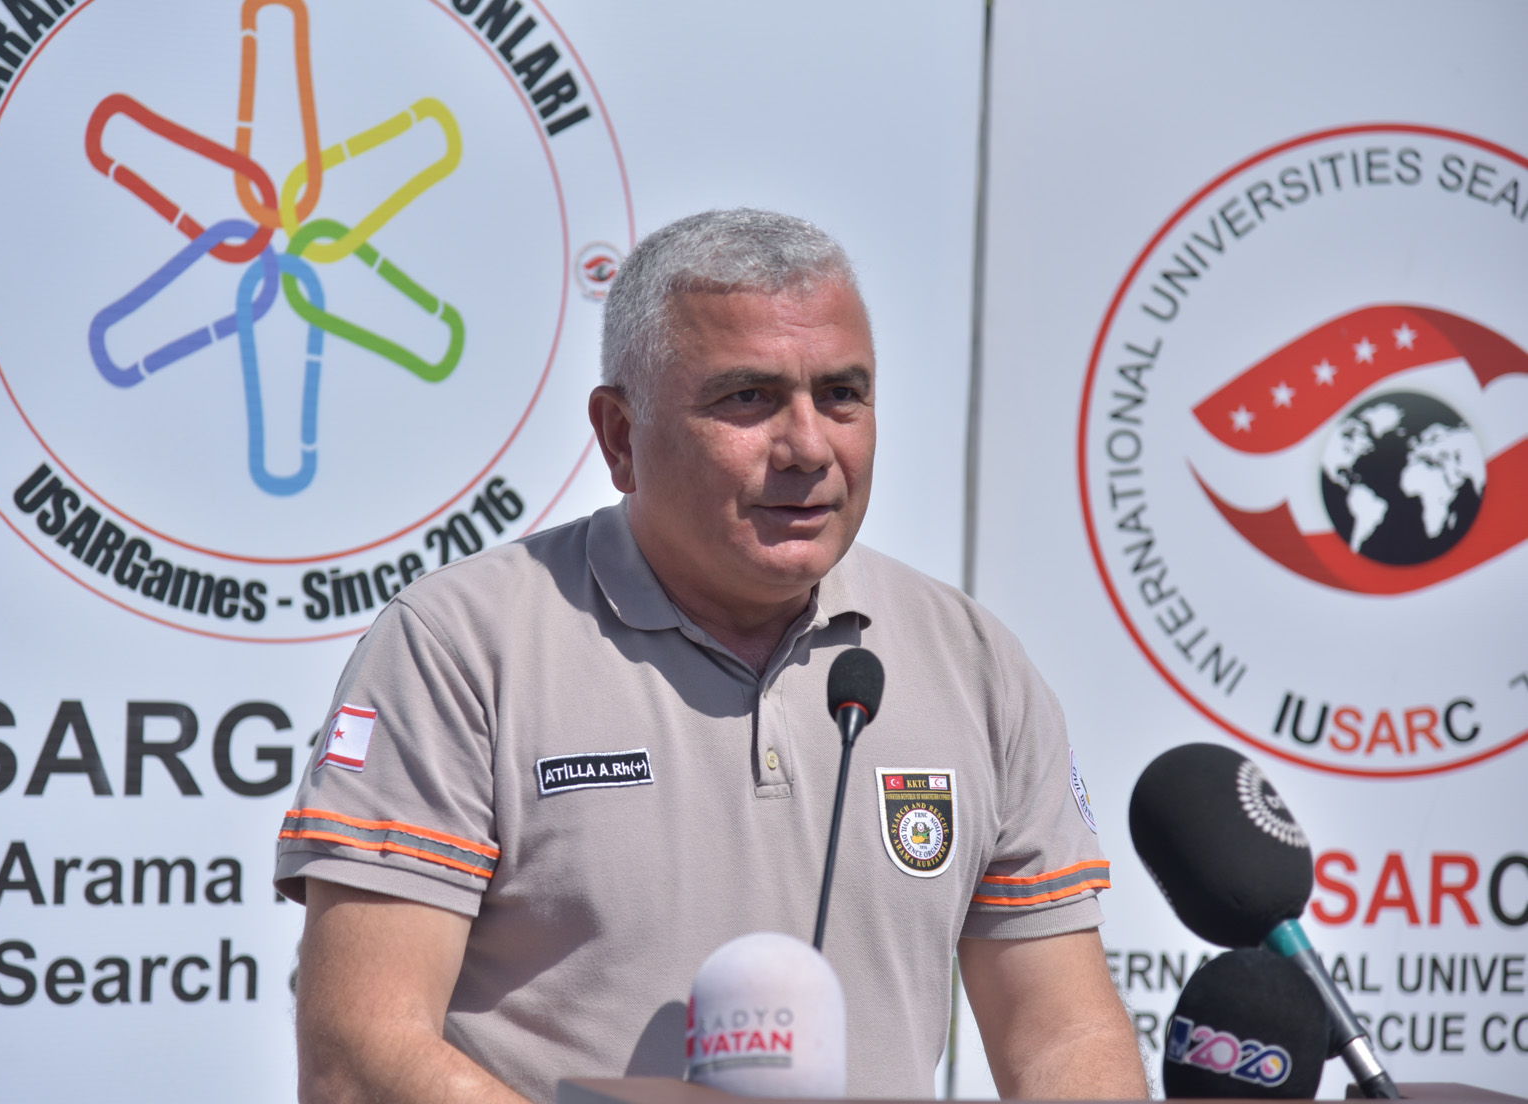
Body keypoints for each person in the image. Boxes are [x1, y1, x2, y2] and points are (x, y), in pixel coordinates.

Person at [276, 209, 1148, 1102]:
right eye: (748, 398)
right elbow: (360, 1052)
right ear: (621, 437)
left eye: (841, 395)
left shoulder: (973, 663)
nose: (809, 446)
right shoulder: (462, 644)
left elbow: (1063, 1037)